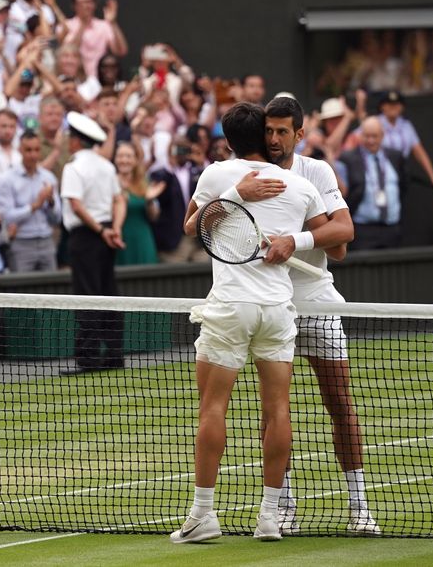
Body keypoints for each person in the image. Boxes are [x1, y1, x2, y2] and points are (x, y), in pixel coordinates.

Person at [171, 102, 329, 544]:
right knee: (278, 409)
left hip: (230, 307)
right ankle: (269, 518)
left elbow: (190, 228)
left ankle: (203, 515)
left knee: (212, 407)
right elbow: (335, 240)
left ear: (226, 142)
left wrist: (236, 197)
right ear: (265, 136)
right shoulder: (299, 185)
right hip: (278, 309)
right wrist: (296, 238)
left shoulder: (215, 175)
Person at [231, 95, 378, 534]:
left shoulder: (316, 171)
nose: (273, 140)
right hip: (272, 306)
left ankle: (359, 506)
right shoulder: (247, 175)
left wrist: (294, 241)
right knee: (275, 408)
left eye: (282, 132)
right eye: (268, 132)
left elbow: (342, 238)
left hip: (316, 302)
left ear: (299, 133)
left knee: (339, 403)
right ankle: (283, 507)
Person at [58, 112, 126, 375]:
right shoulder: (106, 166)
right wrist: (113, 230)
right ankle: (113, 356)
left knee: (88, 295)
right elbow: (118, 201)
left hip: (88, 237)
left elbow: (75, 204)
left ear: (76, 141)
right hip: (106, 235)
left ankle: (88, 360)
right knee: (108, 293)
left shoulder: (73, 167)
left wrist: (100, 231)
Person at [0, 130, 61, 272]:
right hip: (21, 243)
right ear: (20, 150)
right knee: (21, 291)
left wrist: (50, 203)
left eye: (36, 150)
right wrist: (34, 205)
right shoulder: (7, 179)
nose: (33, 155)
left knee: (50, 290)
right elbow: (6, 216)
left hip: (46, 240)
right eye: (28, 150)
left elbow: (57, 218)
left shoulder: (48, 178)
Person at [336, 117, 405, 250]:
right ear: (361, 135)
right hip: (362, 230)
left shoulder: (395, 156)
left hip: (392, 228)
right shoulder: (348, 158)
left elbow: (403, 186)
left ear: (382, 135)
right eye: (367, 136)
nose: (371, 140)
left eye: (375, 136)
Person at [373, 90, 433, 190]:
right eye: (389, 104)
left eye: (396, 104)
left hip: (401, 174)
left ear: (402, 107)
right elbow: (356, 141)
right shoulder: (374, 123)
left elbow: (419, 151)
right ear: (382, 106)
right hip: (378, 173)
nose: (393, 107)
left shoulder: (406, 126)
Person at [149, 136, 207, 263]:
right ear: (171, 150)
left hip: (199, 238)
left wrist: (201, 163)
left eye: (185, 149)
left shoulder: (198, 172)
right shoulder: (161, 174)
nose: (181, 153)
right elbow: (160, 198)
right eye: (178, 149)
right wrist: (171, 165)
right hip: (174, 238)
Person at [114, 140, 162, 265]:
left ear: (135, 160)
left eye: (128, 156)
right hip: (118, 237)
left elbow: (154, 216)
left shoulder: (144, 182)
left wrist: (150, 200)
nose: (124, 160)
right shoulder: (110, 182)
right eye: (120, 156)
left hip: (142, 239)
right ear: (115, 159)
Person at [64, 0, 128, 78]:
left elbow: (121, 51)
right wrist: (83, 25)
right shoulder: (66, 26)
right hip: (76, 80)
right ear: (75, 5)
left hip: (100, 81)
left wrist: (113, 23)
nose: (88, 6)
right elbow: (70, 51)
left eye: (91, 1)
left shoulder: (103, 25)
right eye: (85, 2)